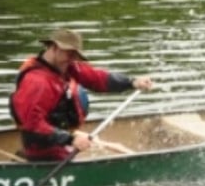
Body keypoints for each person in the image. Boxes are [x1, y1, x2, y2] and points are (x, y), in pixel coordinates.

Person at [9, 28, 154, 161]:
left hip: (59, 140)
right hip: (42, 148)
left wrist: (131, 82)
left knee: (99, 143)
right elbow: (32, 125)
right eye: (69, 53)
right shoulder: (37, 82)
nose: (72, 59)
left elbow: (97, 78)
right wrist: (70, 139)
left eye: (75, 54)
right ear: (53, 47)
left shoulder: (64, 66)